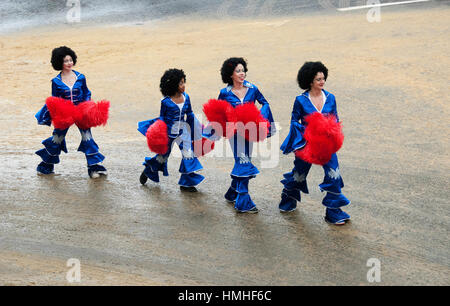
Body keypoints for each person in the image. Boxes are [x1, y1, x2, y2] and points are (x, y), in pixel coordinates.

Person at [279, 61, 351, 224]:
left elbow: (335, 119)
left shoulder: (330, 98)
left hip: (327, 145)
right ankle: (288, 196)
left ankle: (333, 212)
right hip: (307, 145)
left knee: (334, 174)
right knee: (299, 174)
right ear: (310, 81)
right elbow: (294, 120)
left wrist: (332, 132)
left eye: (323, 78)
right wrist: (306, 134)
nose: (322, 82)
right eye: (318, 79)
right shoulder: (300, 100)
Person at [35, 46, 107, 178]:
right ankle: (45, 166)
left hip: (81, 112)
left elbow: (86, 93)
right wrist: (56, 115)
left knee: (88, 138)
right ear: (59, 63)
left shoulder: (80, 77)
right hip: (65, 114)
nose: (69, 63)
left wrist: (86, 106)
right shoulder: (56, 81)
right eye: (65, 61)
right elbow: (55, 100)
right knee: (57, 139)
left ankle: (94, 168)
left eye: (70, 60)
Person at [215, 57, 275, 213]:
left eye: (243, 70)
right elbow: (218, 111)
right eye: (238, 71)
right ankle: (243, 202)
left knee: (245, 160)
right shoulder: (225, 93)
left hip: (250, 130)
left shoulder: (253, 88)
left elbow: (265, 103)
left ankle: (232, 191)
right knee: (243, 161)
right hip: (234, 133)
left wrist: (260, 116)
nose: (242, 74)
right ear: (231, 75)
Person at [138, 68, 205, 192]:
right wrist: (159, 134)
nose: (183, 85)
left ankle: (186, 183)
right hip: (168, 133)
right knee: (162, 157)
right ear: (173, 85)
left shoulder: (186, 97)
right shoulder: (166, 102)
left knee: (188, 154)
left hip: (183, 132)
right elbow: (162, 118)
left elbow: (189, 114)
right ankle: (149, 170)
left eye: (184, 82)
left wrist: (195, 131)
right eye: (180, 83)